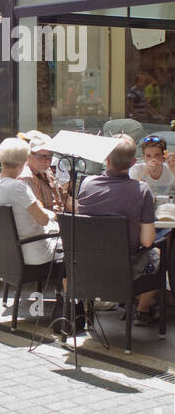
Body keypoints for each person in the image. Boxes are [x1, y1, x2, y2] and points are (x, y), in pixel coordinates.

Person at [72, 136, 160, 323]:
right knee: (158, 253)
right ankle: (142, 310)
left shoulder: (87, 184)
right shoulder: (142, 190)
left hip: (88, 265)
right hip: (126, 268)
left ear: (107, 159)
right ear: (134, 162)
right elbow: (146, 241)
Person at [0, 137, 61, 265]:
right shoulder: (18, 187)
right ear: (25, 160)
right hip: (30, 250)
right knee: (73, 248)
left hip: (3, 250)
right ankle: (66, 285)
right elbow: (43, 220)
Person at [19, 131, 67, 210]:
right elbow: (39, 212)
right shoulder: (26, 177)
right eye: (39, 156)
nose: (44, 160)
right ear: (29, 155)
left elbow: (64, 197)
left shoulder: (47, 172)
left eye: (48, 156)